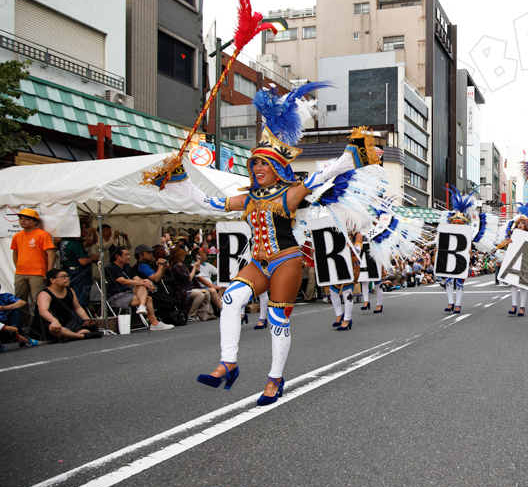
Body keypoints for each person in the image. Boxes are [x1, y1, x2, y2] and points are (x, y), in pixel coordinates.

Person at [150, 74, 387, 404]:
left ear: (278, 167)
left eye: (265, 163)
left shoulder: (289, 194)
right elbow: (210, 202)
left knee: (278, 321)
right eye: (255, 163)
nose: (258, 167)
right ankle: (228, 363)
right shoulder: (248, 198)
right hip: (258, 263)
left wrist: (348, 159)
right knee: (231, 300)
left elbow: (318, 177)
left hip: (287, 261)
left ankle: (275, 379)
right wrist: (179, 180)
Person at [104, 247, 173, 331]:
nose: (129, 257)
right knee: (148, 298)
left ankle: (142, 307)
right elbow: (124, 281)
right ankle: (154, 323)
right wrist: (144, 282)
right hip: (117, 296)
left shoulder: (127, 267)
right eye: (126, 255)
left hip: (130, 293)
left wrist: (146, 281)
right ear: (117, 256)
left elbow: (137, 279)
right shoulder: (109, 268)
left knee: (142, 286)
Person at [10, 208, 56, 329]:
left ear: (35, 222)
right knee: (20, 300)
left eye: (26, 219)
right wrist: (18, 266)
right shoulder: (17, 236)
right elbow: (15, 253)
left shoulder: (41, 234)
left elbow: (51, 254)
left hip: (38, 273)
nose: (22, 221)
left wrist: (49, 272)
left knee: (39, 300)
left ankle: (40, 325)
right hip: (21, 272)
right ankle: (24, 325)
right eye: (21, 219)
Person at [32, 269, 101, 341]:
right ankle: (80, 336)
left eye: (67, 276)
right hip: (48, 325)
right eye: (63, 277)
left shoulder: (70, 290)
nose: (67, 278)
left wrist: (87, 320)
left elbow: (77, 308)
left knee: (92, 327)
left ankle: (70, 336)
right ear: (52, 280)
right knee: (55, 329)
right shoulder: (44, 294)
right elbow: (43, 311)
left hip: (67, 325)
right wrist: (54, 321)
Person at [167, 247, 211, 322]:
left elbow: (196, 271)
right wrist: (194, 267)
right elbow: (189, 278)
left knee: (206, 293)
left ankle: (203, 312)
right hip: (182, 290)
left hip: (189, 288)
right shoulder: (175, 267)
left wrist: (198, 263)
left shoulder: (183, 264)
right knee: (200, 295)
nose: (184, 256)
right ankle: (191, 314)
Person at [58, 235, 97, 311]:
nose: (86, 232)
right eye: (84, 229)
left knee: (70, 296)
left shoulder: (63, 241)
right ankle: (78, 320)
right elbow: (83, 261)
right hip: (80, 272)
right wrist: (92, 259)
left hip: (68, 270)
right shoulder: (76, 244)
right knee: (80, 298)